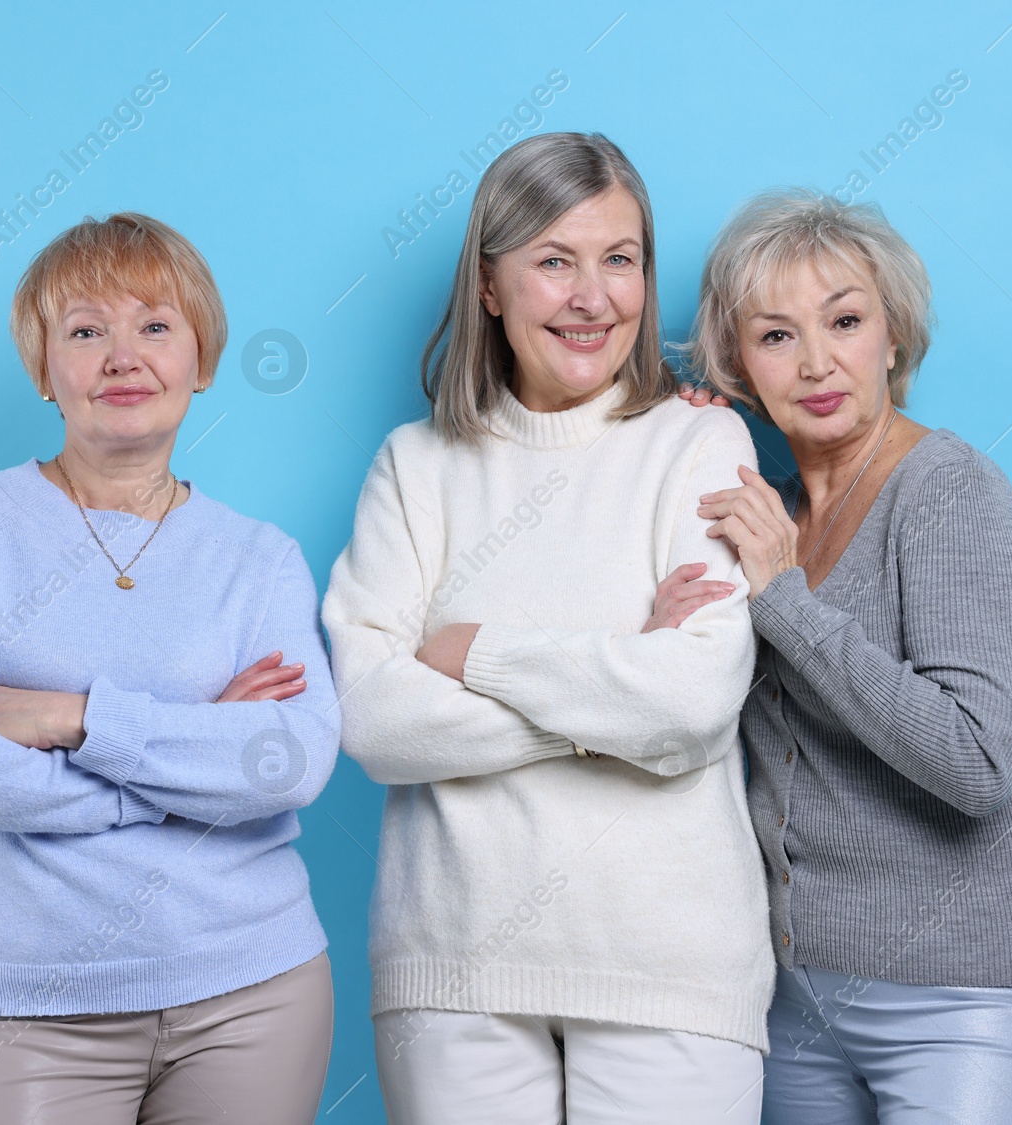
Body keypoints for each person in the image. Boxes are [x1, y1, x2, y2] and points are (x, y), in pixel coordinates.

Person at [321, 132, 775, 1125]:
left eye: (619, 260)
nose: (591, 297)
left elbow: (692, 706)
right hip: (453, 962)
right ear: (489, 285)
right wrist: (612, 696)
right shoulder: (416, 466)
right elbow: (370, 720)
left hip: (672, 966)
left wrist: (471, 654)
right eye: (553, 261)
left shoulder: (700, 442)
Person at [0, 213, 339, 1125]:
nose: (124, 356)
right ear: (44, 369)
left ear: (202, 360)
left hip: (258, 991)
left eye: (155, 325)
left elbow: (290, 762)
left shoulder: (261, 557)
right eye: (85, 331)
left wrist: (70, 717)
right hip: (35, 1006)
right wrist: (187, 754)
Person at [679, 188, 1012, 1123]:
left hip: (970, 994)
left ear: (892, 336)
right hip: (795, 999)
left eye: (846, 321)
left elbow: (978, 763)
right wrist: (674, 436)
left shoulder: (948, 492)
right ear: (739, 362)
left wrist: (784, 598)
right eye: (775, 336)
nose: (818, 362)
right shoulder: (767, 512)